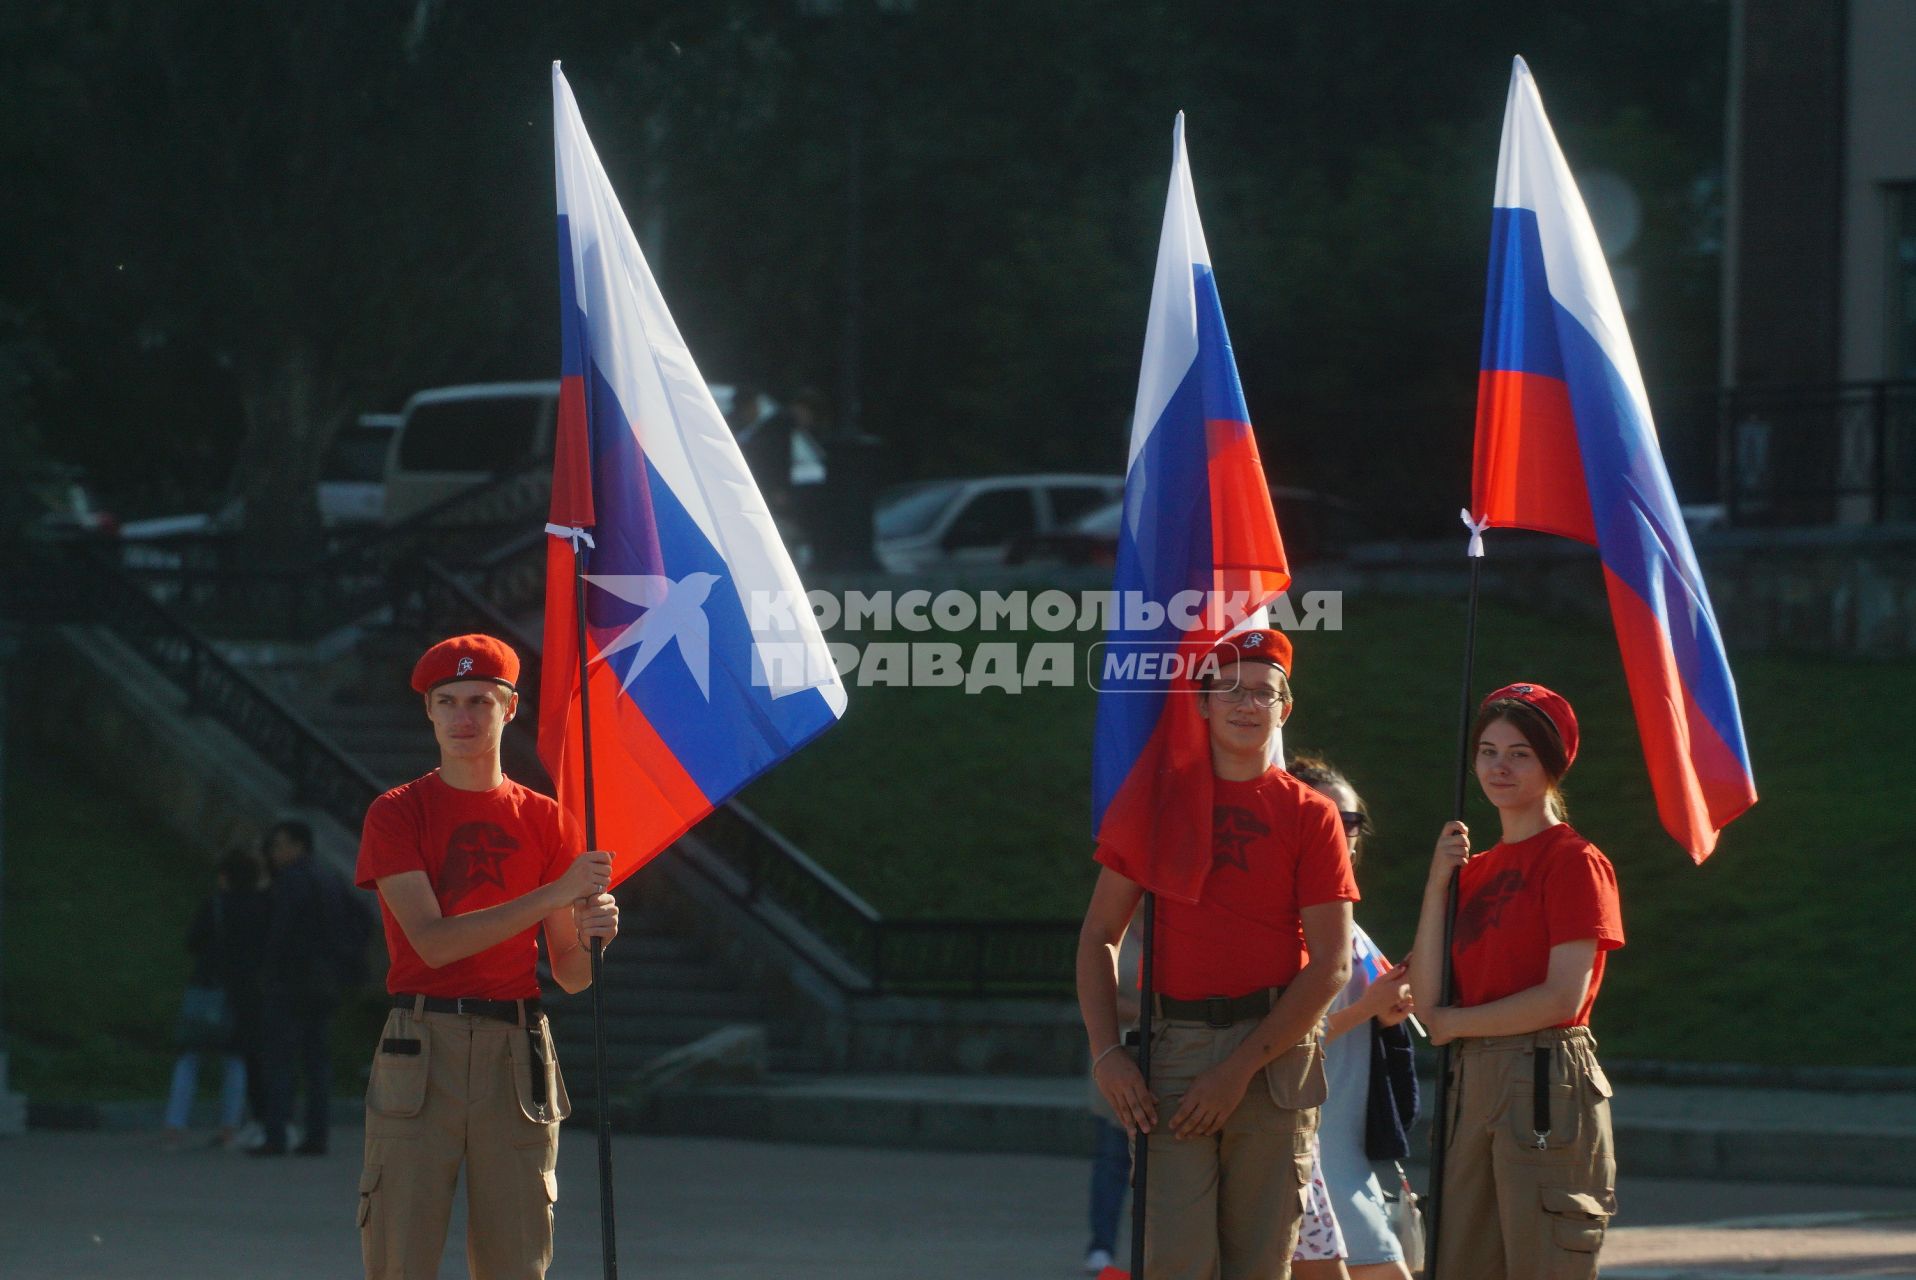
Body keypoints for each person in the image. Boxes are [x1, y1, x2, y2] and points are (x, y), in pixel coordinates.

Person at [1077, 630, 1357, 1280]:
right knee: (1176, 1261)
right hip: (1173, 1055)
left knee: (1259, 1266)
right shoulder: (1156, 802)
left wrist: (1236, 1071)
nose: (1246, 703)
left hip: (1274, 1059)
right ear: (1200, 702)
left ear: (1283, 710)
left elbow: (1332, 964)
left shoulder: (1312, 816)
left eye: (1263, 691)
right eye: (1229, 687)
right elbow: (1098, 937)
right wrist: (1107, 1054)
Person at [355, 633, 619, 1280]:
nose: (463, 718)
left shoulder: (550, 820)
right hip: (420, 1044)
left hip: (517, 1050)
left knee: (518, 1258)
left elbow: (570, 975)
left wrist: (596, 936)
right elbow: (434, 943)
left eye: (479, 700)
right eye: (446, 702)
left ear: (510, 708)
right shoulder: (397, 812)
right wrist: (556, 893)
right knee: (400, 1254)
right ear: (429, 712)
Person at [1408, 682, 1624, 1279]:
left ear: (1553, 765)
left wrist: (1453, 1024)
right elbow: (1426, 1001)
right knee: (1458, 1263)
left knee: (1543, 1263)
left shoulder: (1575, 861)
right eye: (1488, 750)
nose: (1499, 766)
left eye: (1520, 753)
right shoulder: (1471, 870)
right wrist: (1436, 887)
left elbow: (1563, 996)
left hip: (1542, 1077)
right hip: (1469, 1082)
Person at [1288, 756, 1417, 1280]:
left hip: (1348, 1144)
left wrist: (1390, 1014)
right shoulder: (1291, 922)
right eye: (1326, 817)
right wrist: (1368, 1007)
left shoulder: (1347, 920)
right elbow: (1275, 1037)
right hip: (1311, 1148)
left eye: (1352, 821)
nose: (1343, 832)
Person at [161, 844, 270, 1151]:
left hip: (208, 987)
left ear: (224, 877)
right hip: (244, 992)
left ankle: (174, 1125)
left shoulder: (215, 905)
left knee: (189, 1057)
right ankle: (228, 1128)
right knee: (236, 1059)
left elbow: (193, 942)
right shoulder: (261, 907)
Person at [254, 819, 345, 1156]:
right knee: (317, 1061)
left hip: (291, 982)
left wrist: (269, 970)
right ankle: (316, 1135)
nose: (274, 853)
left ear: (297, 845)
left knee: (280, 1060)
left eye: (279, 845)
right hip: (323, 981)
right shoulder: (329, 877)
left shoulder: (290, 881)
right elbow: (354, 924)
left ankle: (276, 1133)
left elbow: (279, 932)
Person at [1082, 918, 1140, 1274]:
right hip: (1116, 1051)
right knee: (1113, 1157)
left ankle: (1152, 1254)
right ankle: (1101, 1246)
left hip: (1170, 1056)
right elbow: (1097, 990)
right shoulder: (1115, 930)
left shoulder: (1176, 927)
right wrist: (1152, 1012)